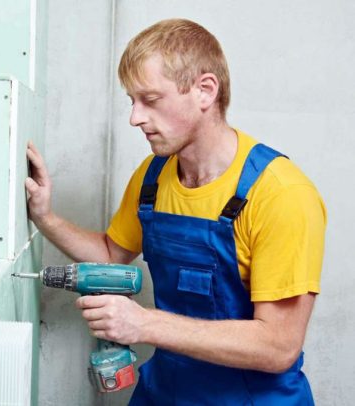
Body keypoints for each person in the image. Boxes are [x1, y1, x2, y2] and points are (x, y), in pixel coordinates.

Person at [25, 18, 326, 405]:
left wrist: (144, 323)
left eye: (149, 99)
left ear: (204, 90)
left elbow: (278, 346)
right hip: (166, 392)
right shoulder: (153, 178)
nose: (135, 117)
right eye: (131, 101)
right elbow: (110, 254)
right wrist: (45, 215)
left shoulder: (281, 195)